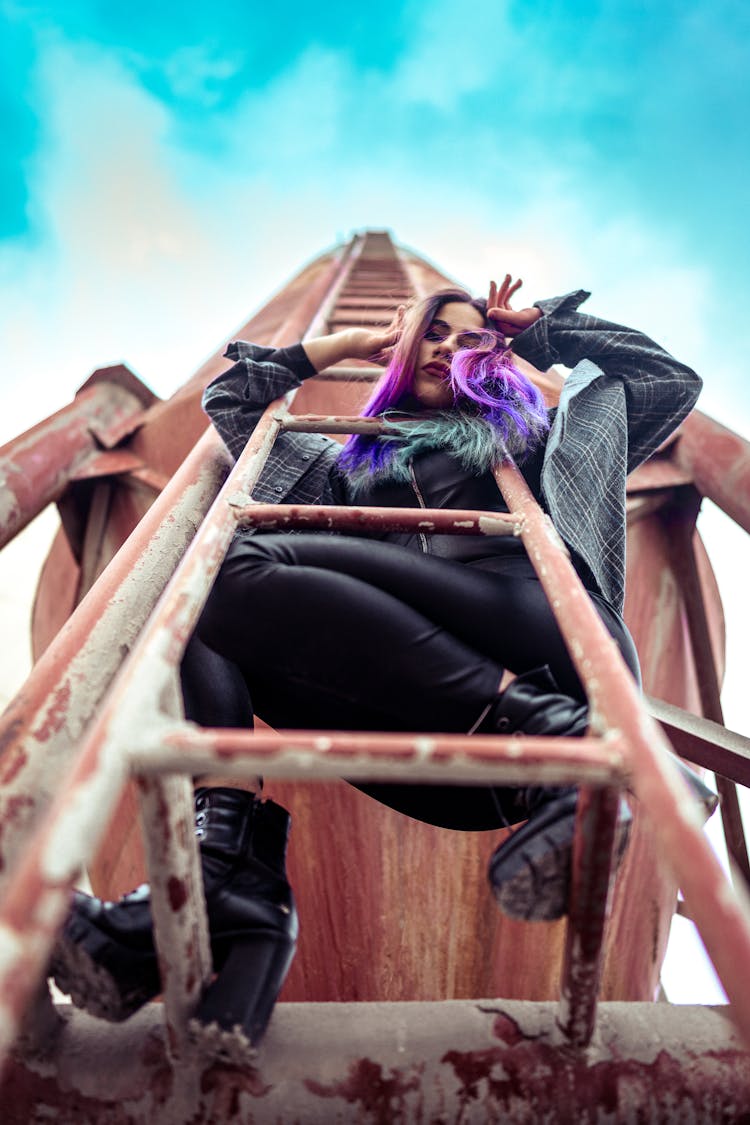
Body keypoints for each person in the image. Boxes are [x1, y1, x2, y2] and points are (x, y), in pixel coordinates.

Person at [51, 275, 712, 1045]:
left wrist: (541, 332)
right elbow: (232, 405)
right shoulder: (338, 466)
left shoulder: (540, 432)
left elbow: (668, 383)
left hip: (545, 640)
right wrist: (342, 346)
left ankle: (568, 734)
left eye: (468, 338)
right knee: (195, 600)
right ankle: (231, 881)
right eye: (431, 333)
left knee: (231, 562)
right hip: (464, 766)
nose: (446, 349)